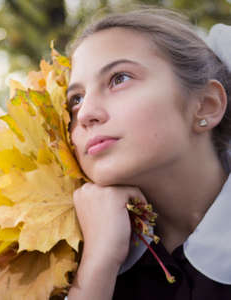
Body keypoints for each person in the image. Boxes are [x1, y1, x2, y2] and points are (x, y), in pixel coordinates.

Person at [65, 8, 231, 300]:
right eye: (75, 99)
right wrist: (97, 267)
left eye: (119, 79)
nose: (86, 114)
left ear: (206, 104)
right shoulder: (60, 257)